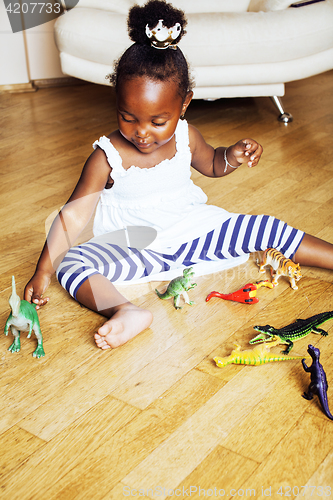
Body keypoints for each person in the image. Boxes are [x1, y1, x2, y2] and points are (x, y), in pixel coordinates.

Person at [24, 0, 333, 350]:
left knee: (266, 228)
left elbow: (213, 164)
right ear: (117, 101)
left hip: (193, 230)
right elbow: (73, 215)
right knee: (74, 263)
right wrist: (44, 270)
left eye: (158, 122)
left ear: (184, 104)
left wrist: (230, 155)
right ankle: (125, 311)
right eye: (128, 117)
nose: (142, 132)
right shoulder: (106, 156)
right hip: (137, 248)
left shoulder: (187, 136)